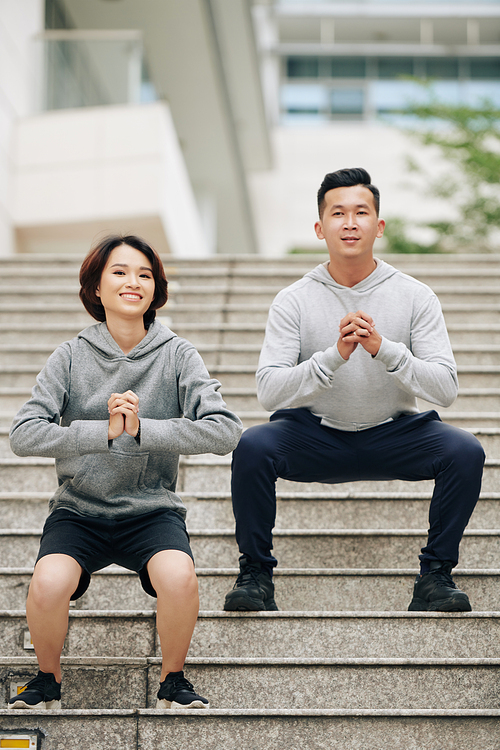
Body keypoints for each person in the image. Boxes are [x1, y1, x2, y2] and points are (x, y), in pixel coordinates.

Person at [223, 167, 485, 614]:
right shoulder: (294, 299)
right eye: (338, 213)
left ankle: (435, 577)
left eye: (361, 212)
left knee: (465, 451)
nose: (349, 222)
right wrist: (334, 356)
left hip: (394, 434)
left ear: (378, 226)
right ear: (319, 227)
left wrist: (385, 350)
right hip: (314, 435)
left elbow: (445, 389)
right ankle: (256, 577)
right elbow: (269, 391)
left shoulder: (415, 296)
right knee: (252, 445)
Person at [8, 234, 242, 711]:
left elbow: (225, 431)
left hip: (151, 511)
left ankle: (172, 681)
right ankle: (47, 681)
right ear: (96, 287)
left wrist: (142, 431)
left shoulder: (178, 354)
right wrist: (103, 433)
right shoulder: (70, 356)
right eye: (119, 272)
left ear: (156, 289)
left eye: (144, 274)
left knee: (178, 576)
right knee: (49, 581)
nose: (133, 282)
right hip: (79, 510)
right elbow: (23, 434)